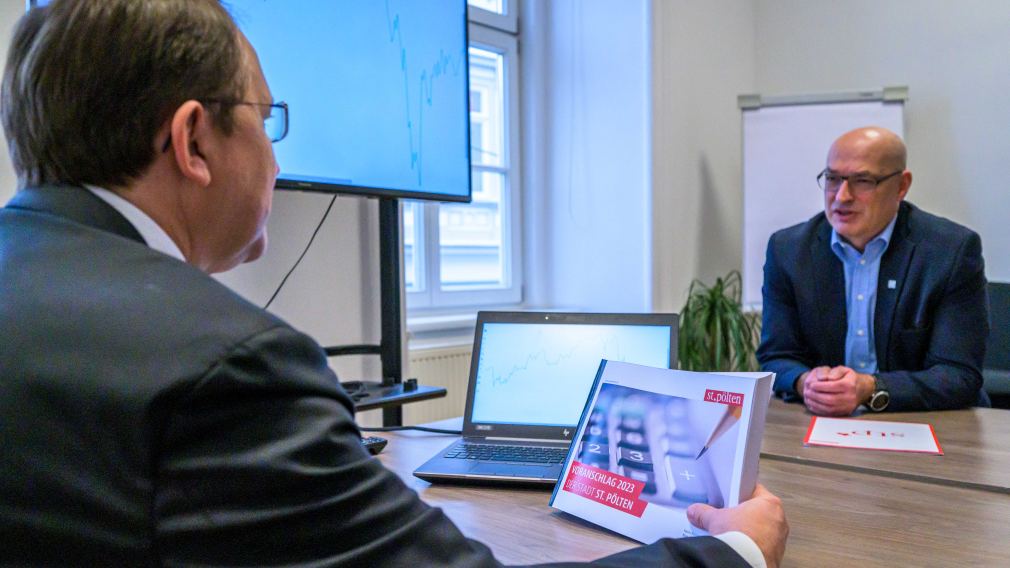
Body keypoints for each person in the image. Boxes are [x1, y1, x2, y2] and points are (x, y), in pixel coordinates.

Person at [0, 1, 787, 566]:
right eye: (268, 121)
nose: (275, 162)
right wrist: (732, 549)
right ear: (194, 140)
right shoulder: (229, 366)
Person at [757, 126, 989, 416]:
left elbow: (959, 375)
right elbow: (777, 356)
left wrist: (870, 387)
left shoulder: (950, 250)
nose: (842, 196)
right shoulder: (788, 250)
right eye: (833, 179)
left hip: (927, 421)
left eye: (862, 181)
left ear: (901, 186)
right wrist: (807, 383)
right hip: (822, 422)